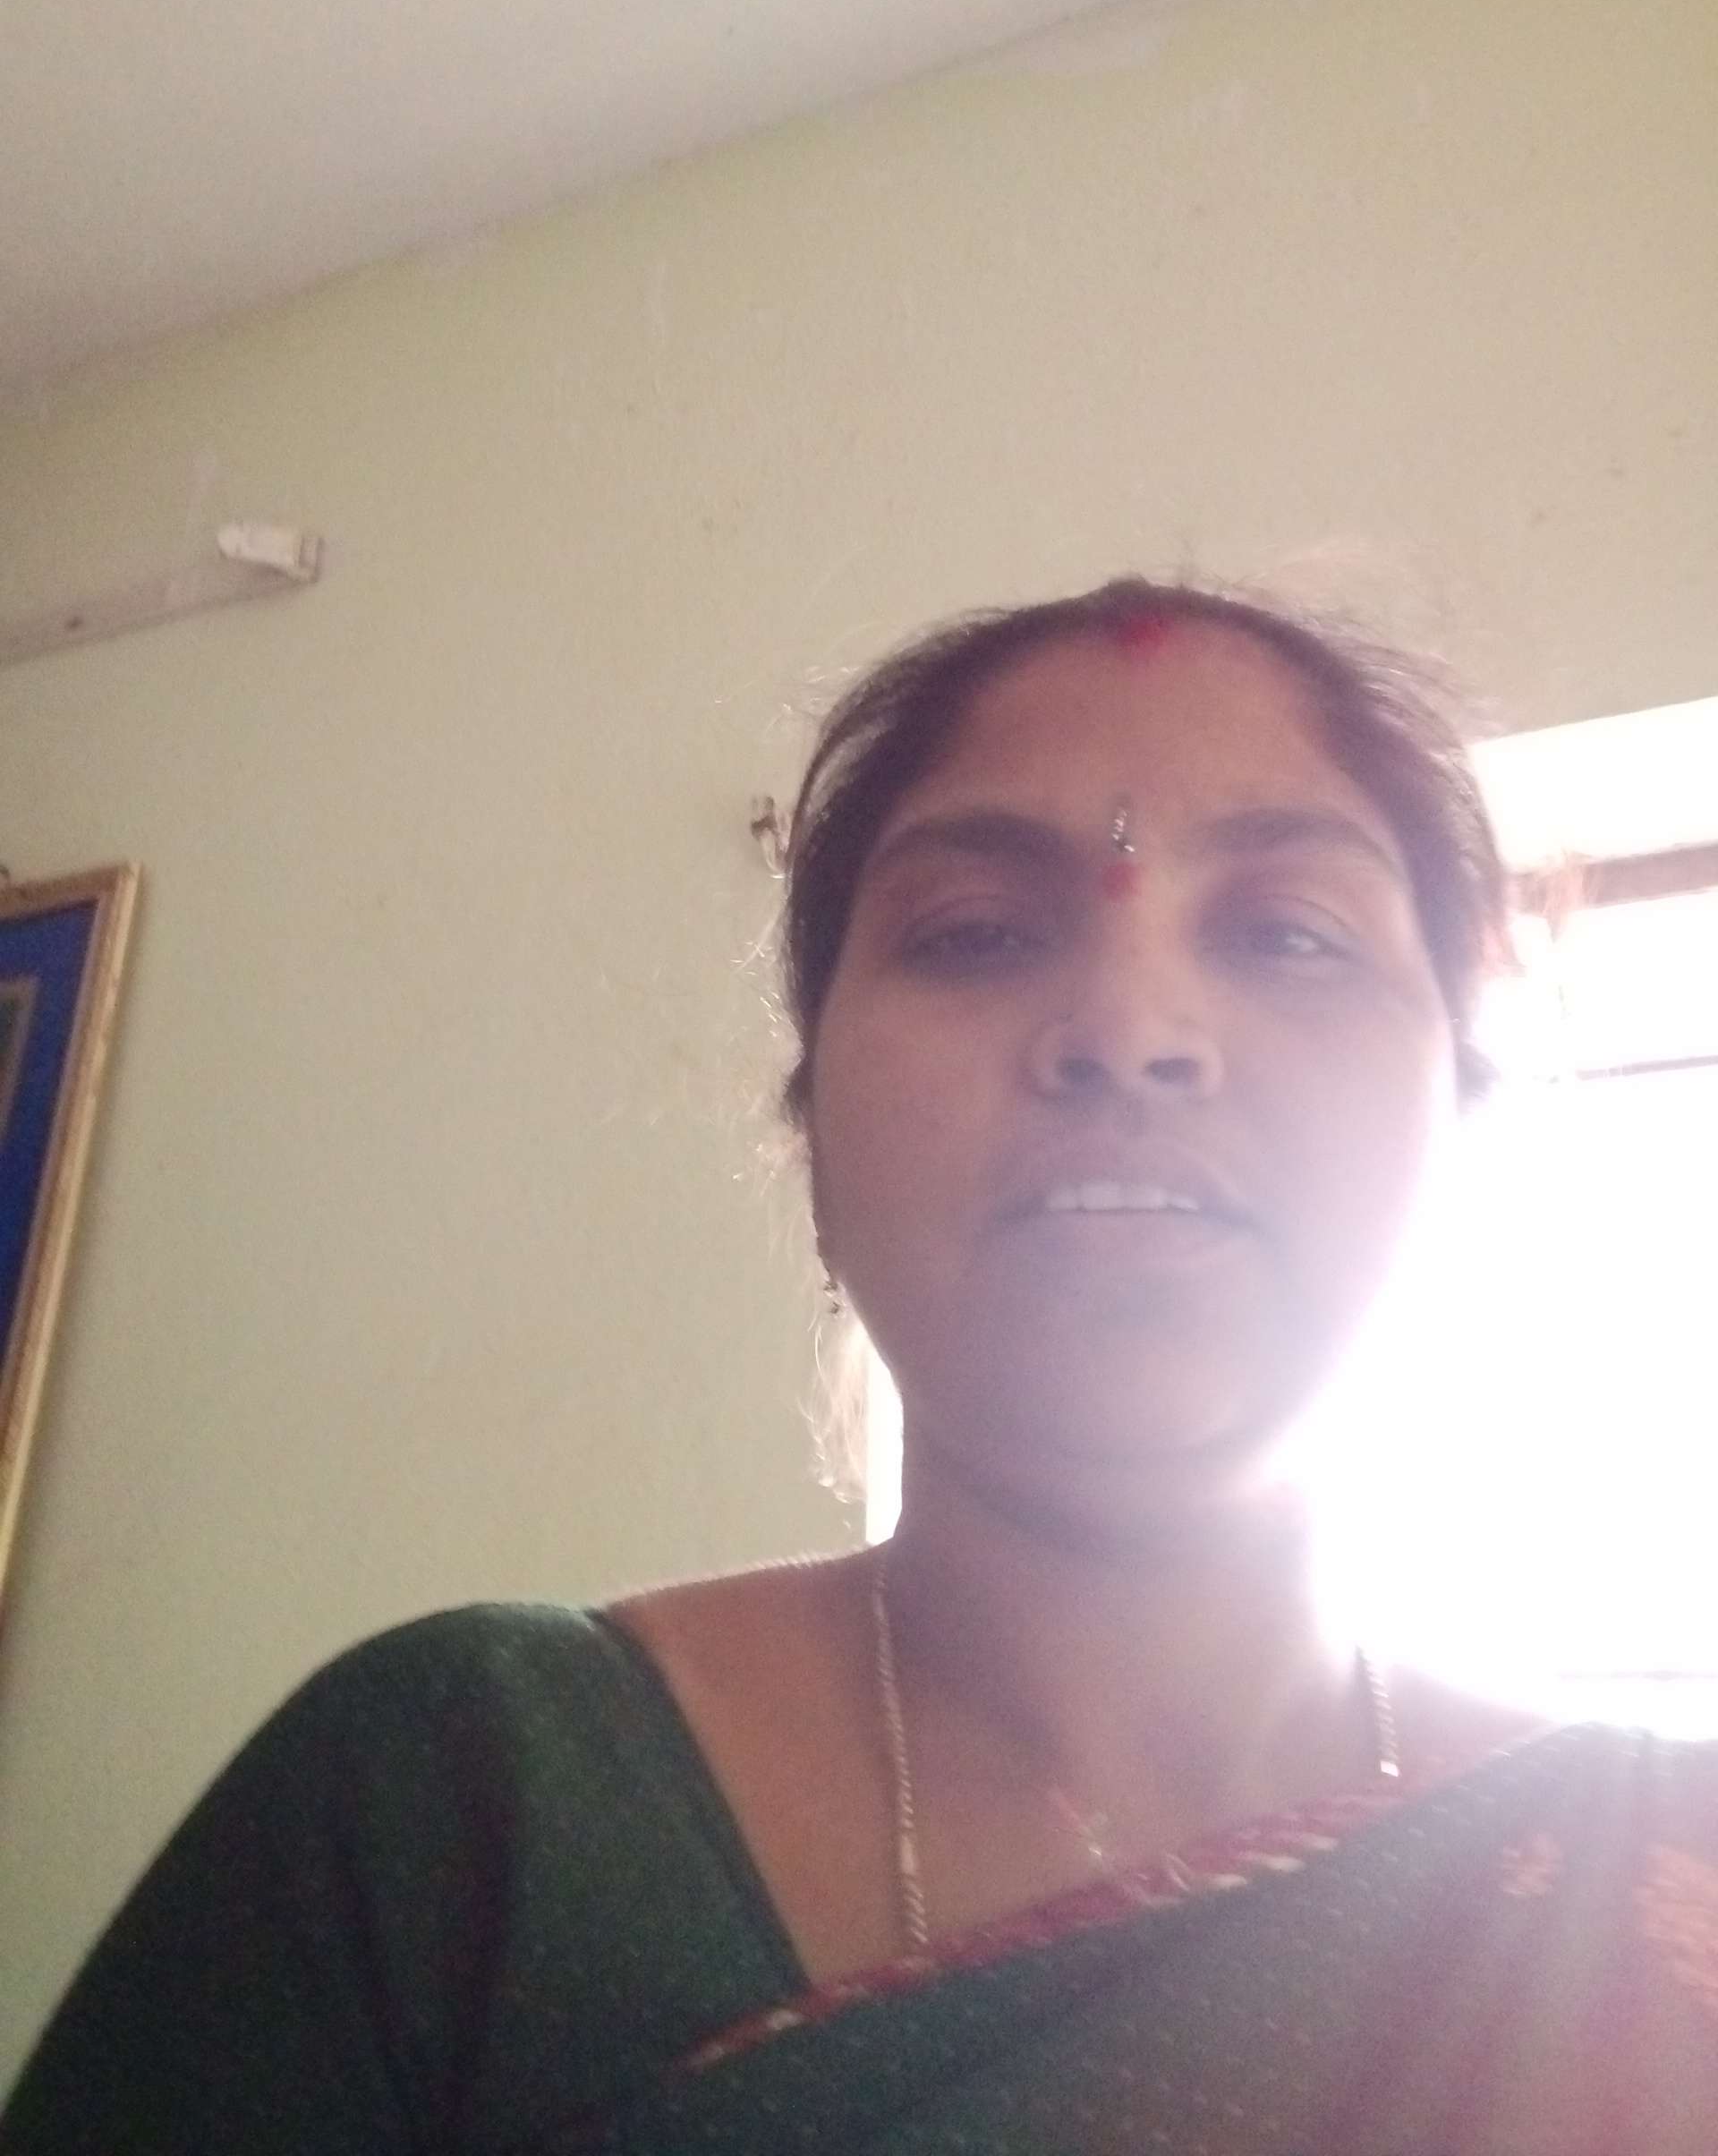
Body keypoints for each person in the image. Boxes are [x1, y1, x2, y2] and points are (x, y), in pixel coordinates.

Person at [4, 577, 1715, 2154]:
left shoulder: (1658, 1891)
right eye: (973, 931)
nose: (1130, 1030)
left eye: (1286, 933)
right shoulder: (457, 1804)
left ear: (1463, 1119)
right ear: (812, 1129)